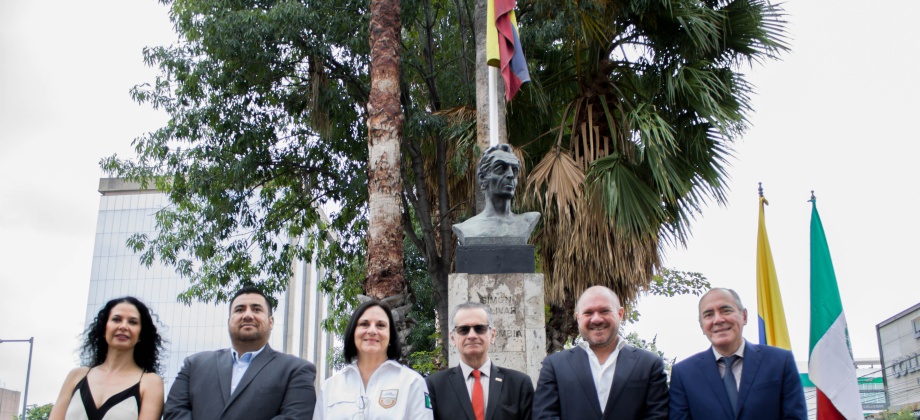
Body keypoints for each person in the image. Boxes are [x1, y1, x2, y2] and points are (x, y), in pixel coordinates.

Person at [163, 286, 316, 419]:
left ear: (271, 322)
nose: (248, 315)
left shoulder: (296, 370)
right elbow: (173, 412)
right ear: (229, 321)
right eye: (240, 309)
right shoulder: (193, 365)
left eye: (256, 309)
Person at [669, 288, 806, 420]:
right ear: (702, 326)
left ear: (744, 316)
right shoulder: (683, 374)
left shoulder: (780, 362)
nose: (718, 320)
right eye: (709, 315)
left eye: (726, 311)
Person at [533, 286, 668, 419]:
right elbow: (544, 416)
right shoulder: (554, 366)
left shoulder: (650, 365)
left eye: (604, 311)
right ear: (578, 317)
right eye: (588, 313)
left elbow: (658, 416)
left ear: (620, 314)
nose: (596, 319)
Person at [49, 296, 166, 420]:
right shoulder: (76, 376)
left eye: (133, 322)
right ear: (104, 328)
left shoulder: (150, 383)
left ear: (141, 334)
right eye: (116, 319)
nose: (123, 326)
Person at [314, 300, 433, 419]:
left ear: (390, 335)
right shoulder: (330, 387)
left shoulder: (412, 383)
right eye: (364, 324)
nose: (372, 331)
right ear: (353, 332)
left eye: (381, 325)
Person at [426, 302, 534, 420]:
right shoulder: (435, 386)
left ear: (492, 335)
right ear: (452, 338)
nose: (472, 335)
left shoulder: (519, 384)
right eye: (463, 329)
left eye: (479, 328)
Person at [452, 144, 540, 245]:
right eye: (501, 169)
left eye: (514, 170)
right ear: (482, 178)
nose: (511, 175)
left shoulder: (527, 222)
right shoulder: (467, 228)